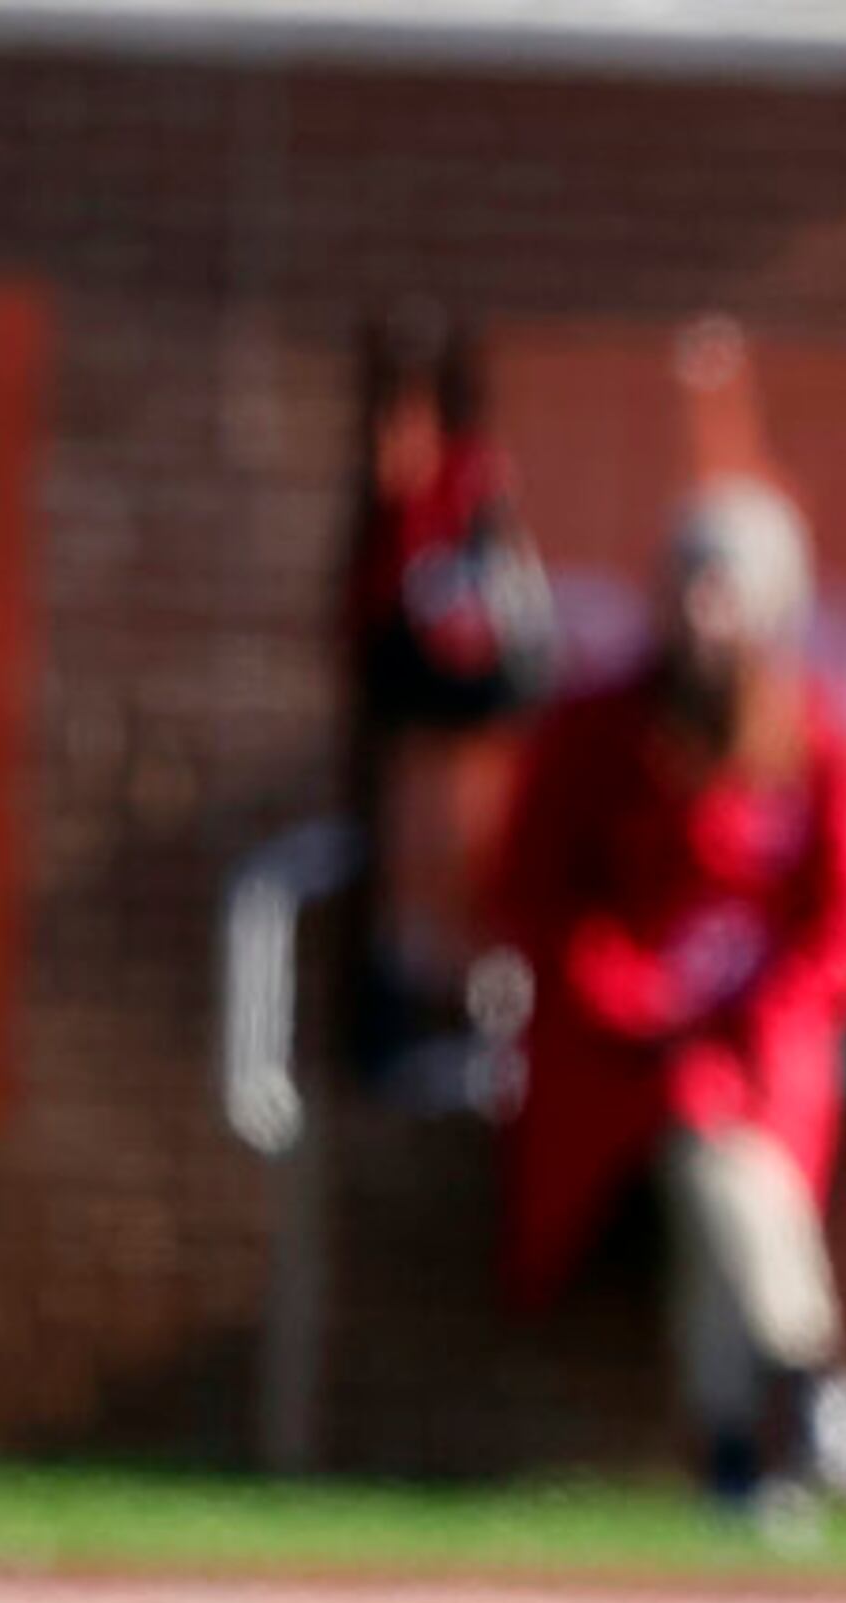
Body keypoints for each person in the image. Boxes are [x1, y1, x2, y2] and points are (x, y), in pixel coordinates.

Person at [480, 478, 846, 1520]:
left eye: (726, 590)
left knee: (718, 1162)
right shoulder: (597, 731)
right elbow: (535, 897)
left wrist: (755, 1013)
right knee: (703, 1142)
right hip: (622, 1061)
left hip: (764, 1055)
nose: (702, 615)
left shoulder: (819, 743)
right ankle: (804, 1380)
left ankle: (737, 1446)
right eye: (688, 587)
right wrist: (640, 1000)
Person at [339, 302, 555, 1076]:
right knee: (412, 881)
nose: (390, 439)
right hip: (419, 732)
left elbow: (507, 635)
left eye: (409, 411)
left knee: (464, 873)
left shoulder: (468, 495)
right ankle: (402, 1022)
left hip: (464, 730)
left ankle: (476, 1019)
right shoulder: (399, 517)